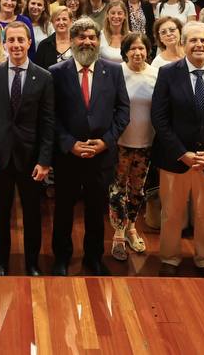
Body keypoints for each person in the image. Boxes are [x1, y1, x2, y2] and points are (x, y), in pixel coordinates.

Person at [151, 20, 204, 275]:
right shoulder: (168, 73)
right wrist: (182, 152)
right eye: (193, 40)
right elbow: (160, 118)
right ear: (183, 44)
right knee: (172, 213)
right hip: (175, 159)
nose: (199, 45)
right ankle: (169, 258)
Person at [50, 17, 130, 276]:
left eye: (92, 37)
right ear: (72, 41)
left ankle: (94, 257)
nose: (87, 41)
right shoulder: (55, 72)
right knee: (63, 210)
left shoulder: (114, 70)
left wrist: (105, 142)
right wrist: (69, 143)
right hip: (67, 156)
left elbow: (123, 111)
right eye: (81, 37)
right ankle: (61, 257)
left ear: (99, 40)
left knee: (97, 211)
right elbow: (50, 115)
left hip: (101, 156)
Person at [0, 20, 54, 276]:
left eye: (20, 40)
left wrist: (45, 160)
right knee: (1, 215)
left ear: (29, 42)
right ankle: (1, 263)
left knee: (33, 216)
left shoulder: (44, 77)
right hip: (1, 157)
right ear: (4, 43)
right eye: (11, 40)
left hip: (32, 158)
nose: (16, 45)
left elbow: (48, 122)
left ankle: (32, 263)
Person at [109, 32, 158, 262]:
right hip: (120, 142)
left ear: (148, 51)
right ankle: (118, 232)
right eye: (133, 49)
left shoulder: (156, 74)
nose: (138, 53)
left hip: (145, 142)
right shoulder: (116, 73)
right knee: (118, 189)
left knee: (137, 190)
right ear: (125, 51)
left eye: (142, 48)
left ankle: (131, 227)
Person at [34, 6, 73, 70]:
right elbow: (38, 71)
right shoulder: (44, 45)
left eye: (64, 19)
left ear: (71, 21)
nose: (61, 23)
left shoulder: (78, 43)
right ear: (52, 22)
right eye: (57, 19)